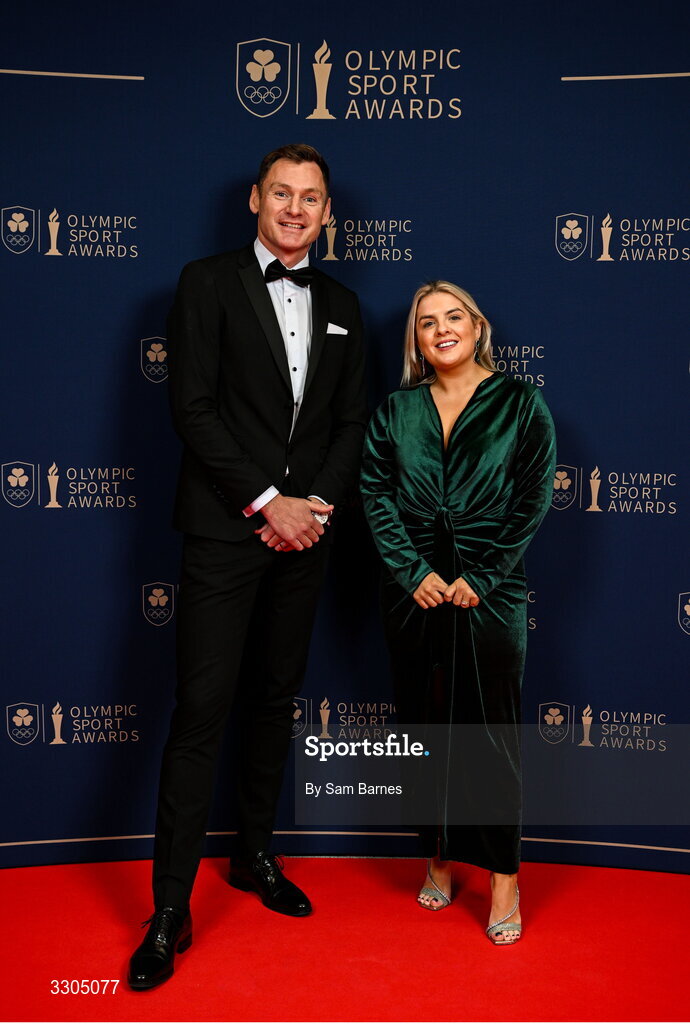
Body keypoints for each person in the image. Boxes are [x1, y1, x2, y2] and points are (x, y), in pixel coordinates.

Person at [128, 144, 366, 989]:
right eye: (282, 194)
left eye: (312, 198)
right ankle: (169, 909)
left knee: (273, 701)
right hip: (231, 533)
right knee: (202, 711)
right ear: (255, 201)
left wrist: (312, 512)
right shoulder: (205, 283)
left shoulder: (343, 303)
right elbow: (191, 407)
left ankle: (255, 857)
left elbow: (349, 425)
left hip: (307, 540)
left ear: (328, 213)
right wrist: (270, 504)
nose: (296, 209)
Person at [360, 281, 555, 944]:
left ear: (477, 325)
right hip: (412, 595)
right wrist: (413, 572)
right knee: (424, 729)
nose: (440, 330)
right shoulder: (396, 409)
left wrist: (484, 574)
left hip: (489, 592)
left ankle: (504, 875)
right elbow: (375, 493)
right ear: (415, 340)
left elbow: (531, 500)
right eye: (425, 323)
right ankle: (439, 856)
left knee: (492, 738)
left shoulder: (521, 403)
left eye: (453, 318)